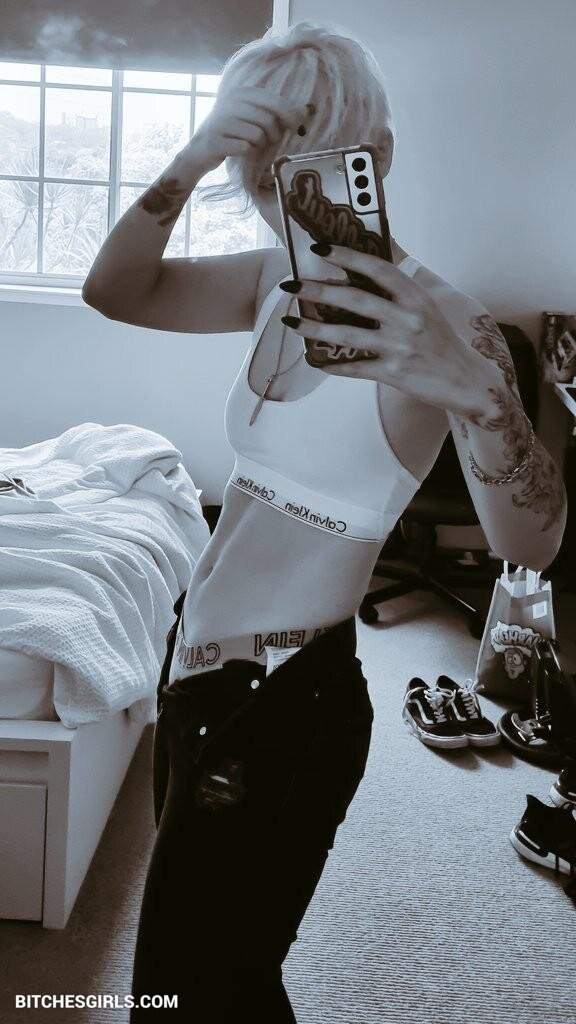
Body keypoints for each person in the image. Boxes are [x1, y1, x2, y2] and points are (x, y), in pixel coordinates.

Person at [82, 20, 567, 1022]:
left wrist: (484, 399)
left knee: (187, 990)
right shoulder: (273, 280)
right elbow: (115, 289)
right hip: (196, 668)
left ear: (375, 157)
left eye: (306, 157)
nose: (277, 192)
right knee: (212, 980)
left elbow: (533, 544)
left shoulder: (445, 323)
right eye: (258, 164)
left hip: (284, 700)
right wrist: (189, 158)